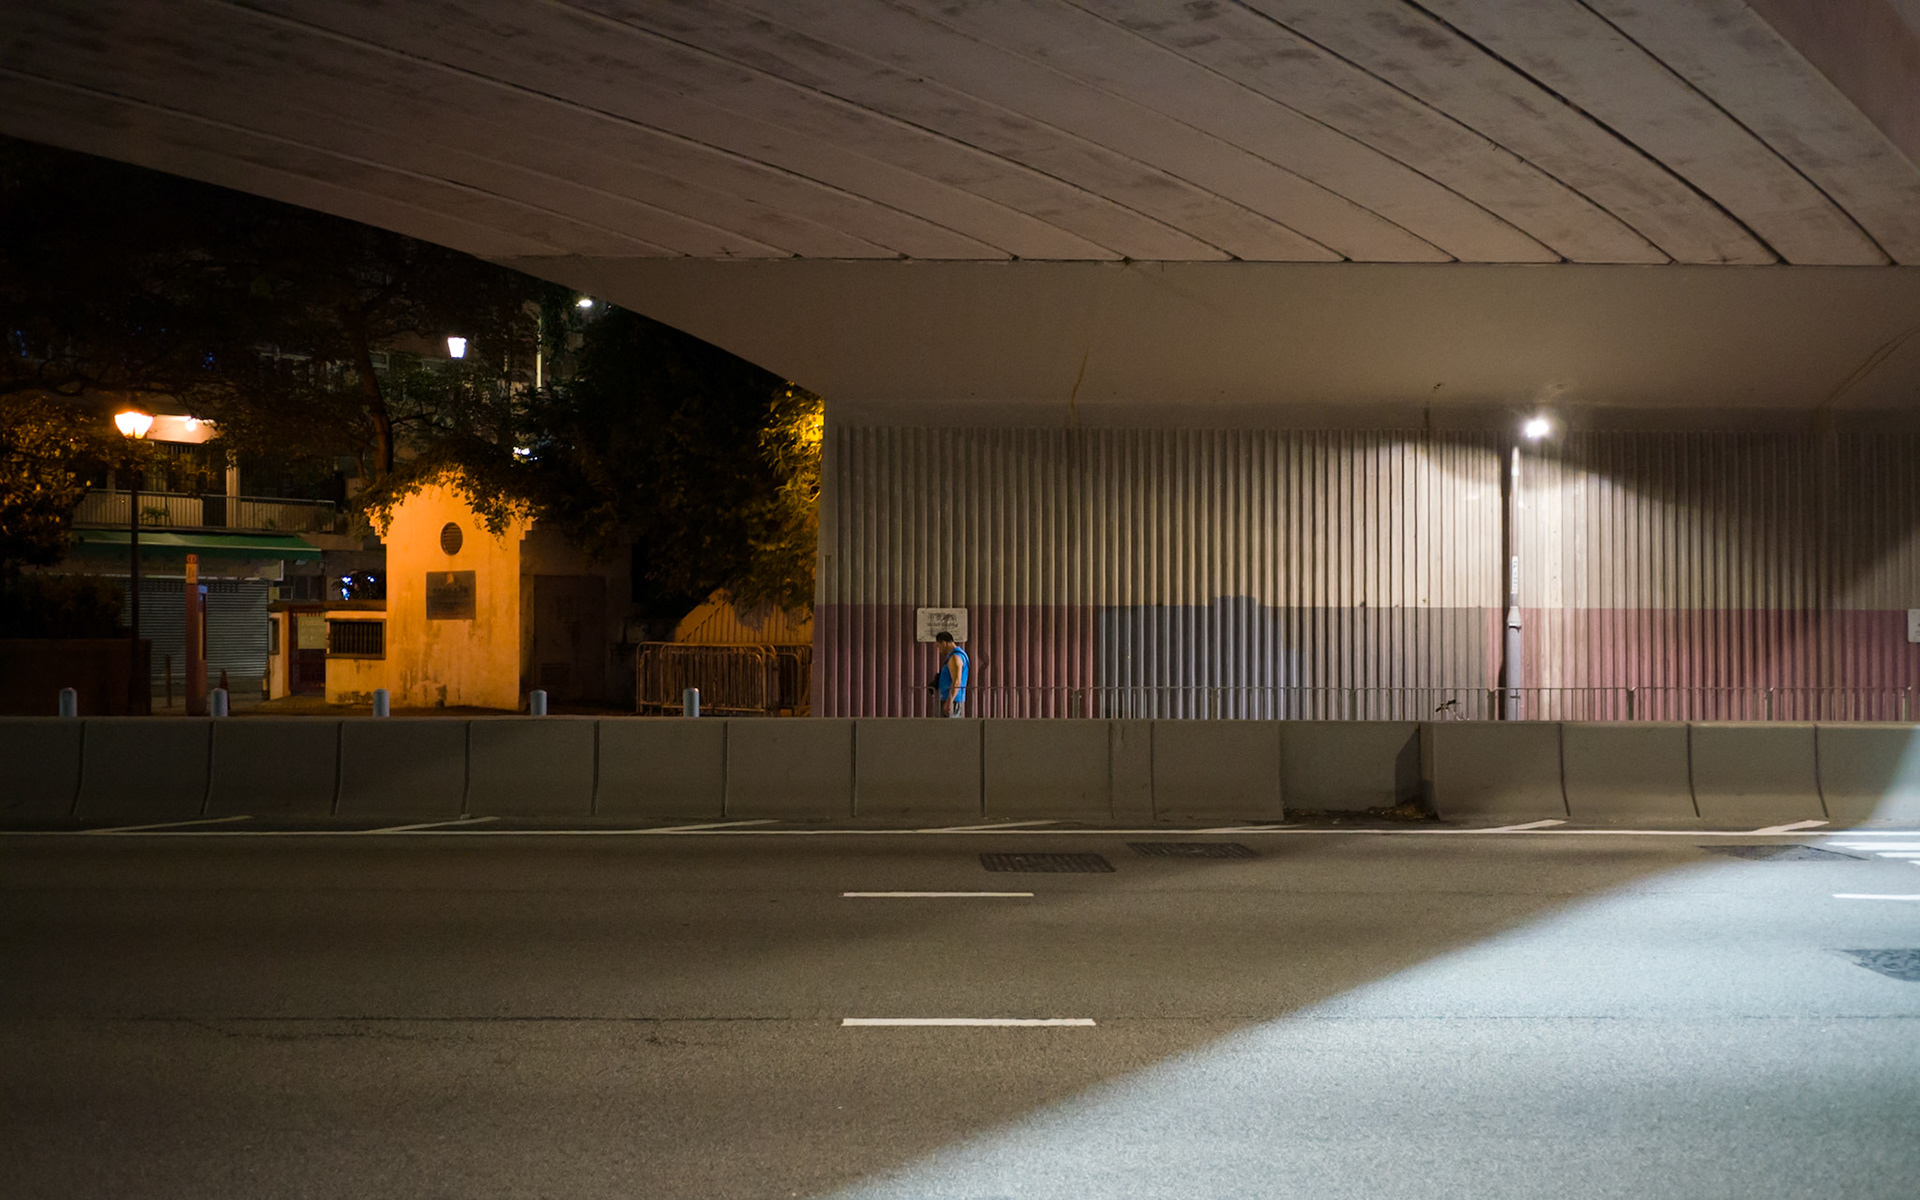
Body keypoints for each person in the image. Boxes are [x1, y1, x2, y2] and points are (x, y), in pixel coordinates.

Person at [932, 630, 969, 717]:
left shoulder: (955, 657)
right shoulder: (960, 655)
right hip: (951, 698)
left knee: (947, 728)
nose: (939, 650)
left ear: (944, 643)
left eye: (939, 646)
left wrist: (949, 701)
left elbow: (957, 681)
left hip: (951, 700)